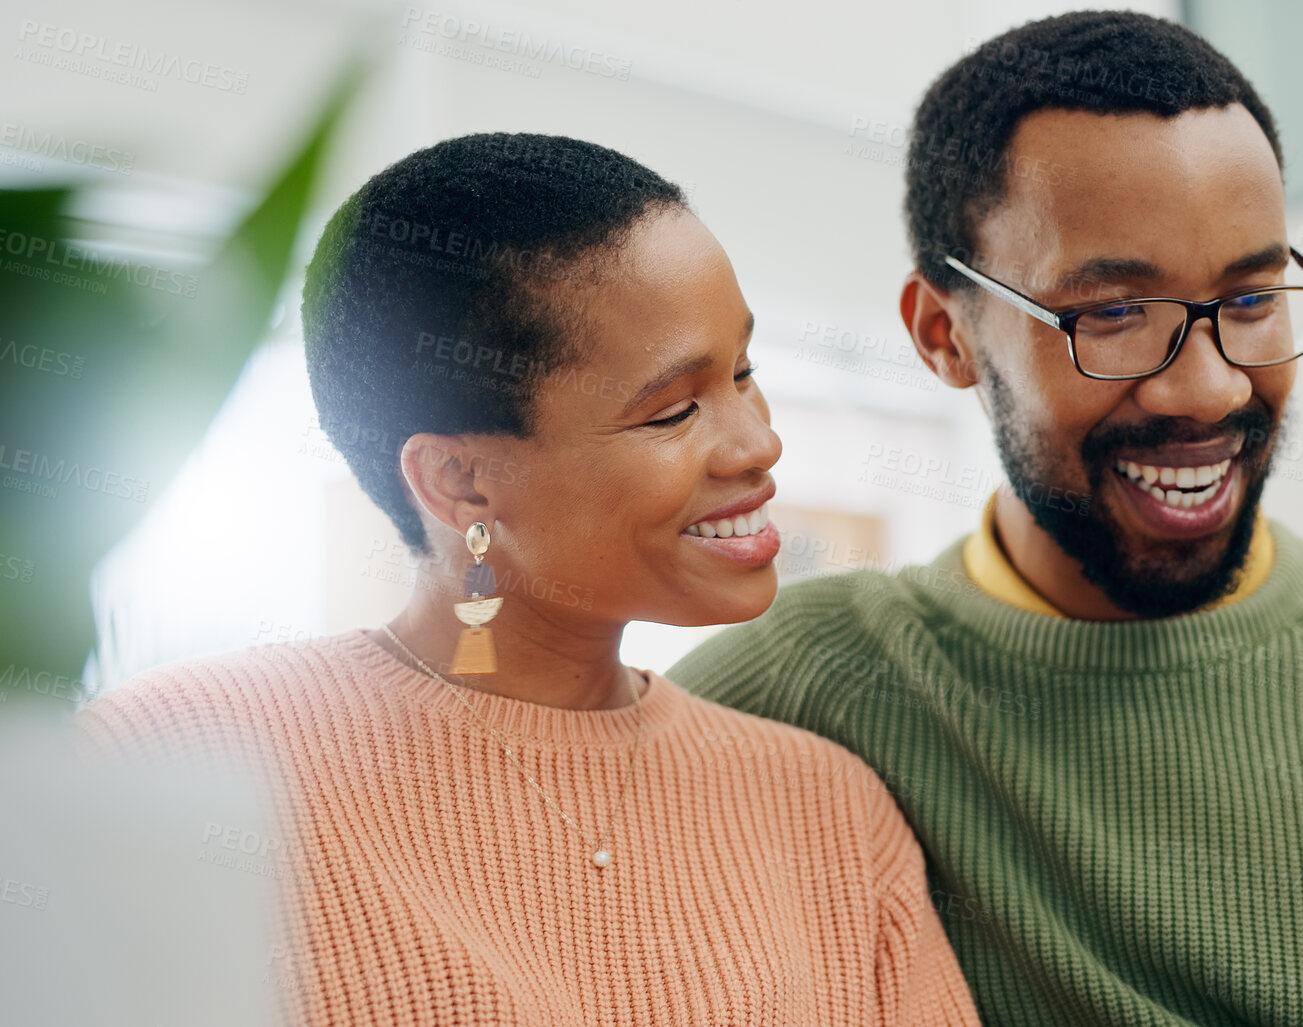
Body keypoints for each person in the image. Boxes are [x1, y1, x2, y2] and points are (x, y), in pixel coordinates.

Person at [669, 12, 1303, 1027]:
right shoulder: (797, 691)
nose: (1208, 389)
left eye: (1252, 299)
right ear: (944, 335)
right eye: (1115, 316)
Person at [72, 133, 979, 1026]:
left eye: (743, 372)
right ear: (459, 480)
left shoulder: (828, 807)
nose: (757, 442)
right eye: (673, 410)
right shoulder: (171, 764)